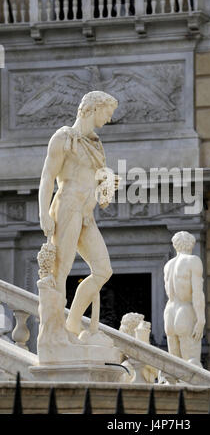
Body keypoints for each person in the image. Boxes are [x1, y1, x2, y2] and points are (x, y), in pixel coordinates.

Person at [38, 90, 118, 337]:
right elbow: (47, 177)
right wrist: (43, 212)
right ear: (94, 108)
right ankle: (56, 332)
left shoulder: (96, 143)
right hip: (67, 206)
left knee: (103, 270)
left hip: (86, 213)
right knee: (60, 272)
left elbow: (99, 191)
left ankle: (72, 323)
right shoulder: (63, 138)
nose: (109, 119)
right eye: (107, 113)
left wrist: (108, 185)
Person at [163, 231, 205, 367]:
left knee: (174, 366)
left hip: (169, 311)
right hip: (185, 310)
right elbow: (197, 293)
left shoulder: (168, 265)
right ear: (191, 244)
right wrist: (201, 319)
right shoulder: (193, 261)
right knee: (191, 363)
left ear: (176, 246)